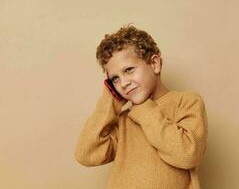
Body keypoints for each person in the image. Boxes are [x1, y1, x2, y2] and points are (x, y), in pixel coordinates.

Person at [74, 24, 208, 189]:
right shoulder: (124, 120)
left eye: (129, 70)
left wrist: (144, 107)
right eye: (115, 79)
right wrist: (108, 102)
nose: (123, 83)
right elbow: (85, 154)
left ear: (155, 64)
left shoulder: (186, 102)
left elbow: (187, 154)